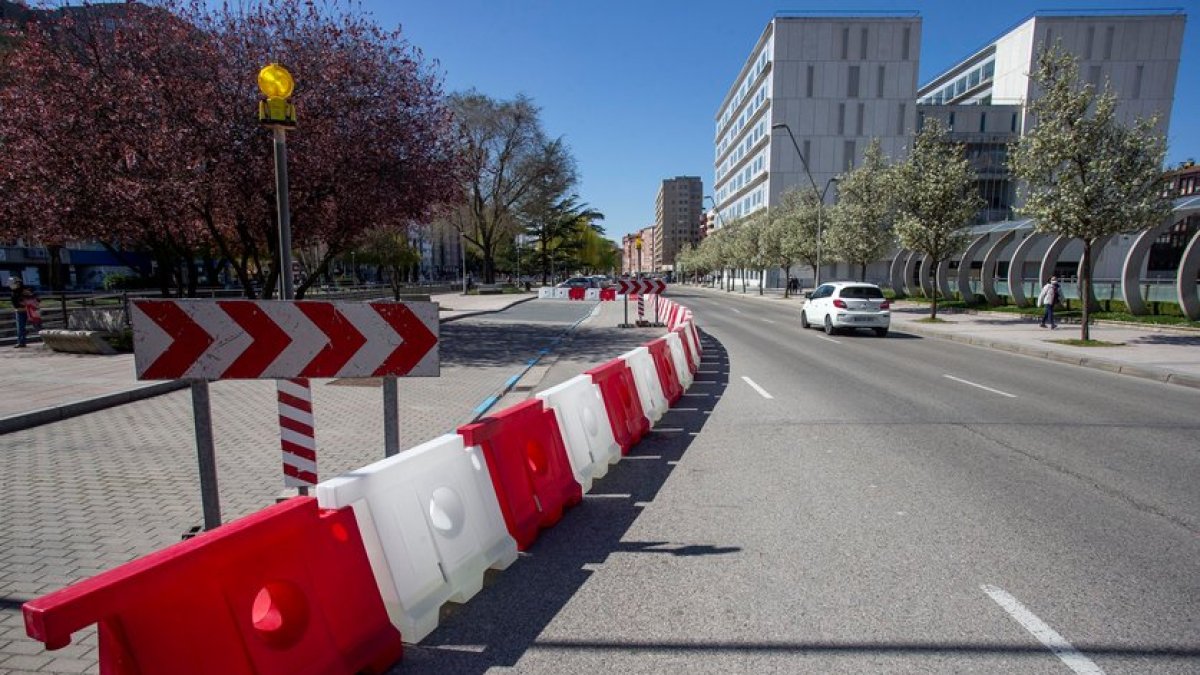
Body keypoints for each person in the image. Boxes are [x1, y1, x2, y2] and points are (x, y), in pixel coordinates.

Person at [8, 276, 38, 348]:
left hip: (29, 310)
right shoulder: (13, 292)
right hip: (19, 311)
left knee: (36, 325)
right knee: (20, 328)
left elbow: (33, 298)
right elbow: (15, 303)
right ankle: (21, 342)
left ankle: (45, 340)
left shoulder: (25, 290)